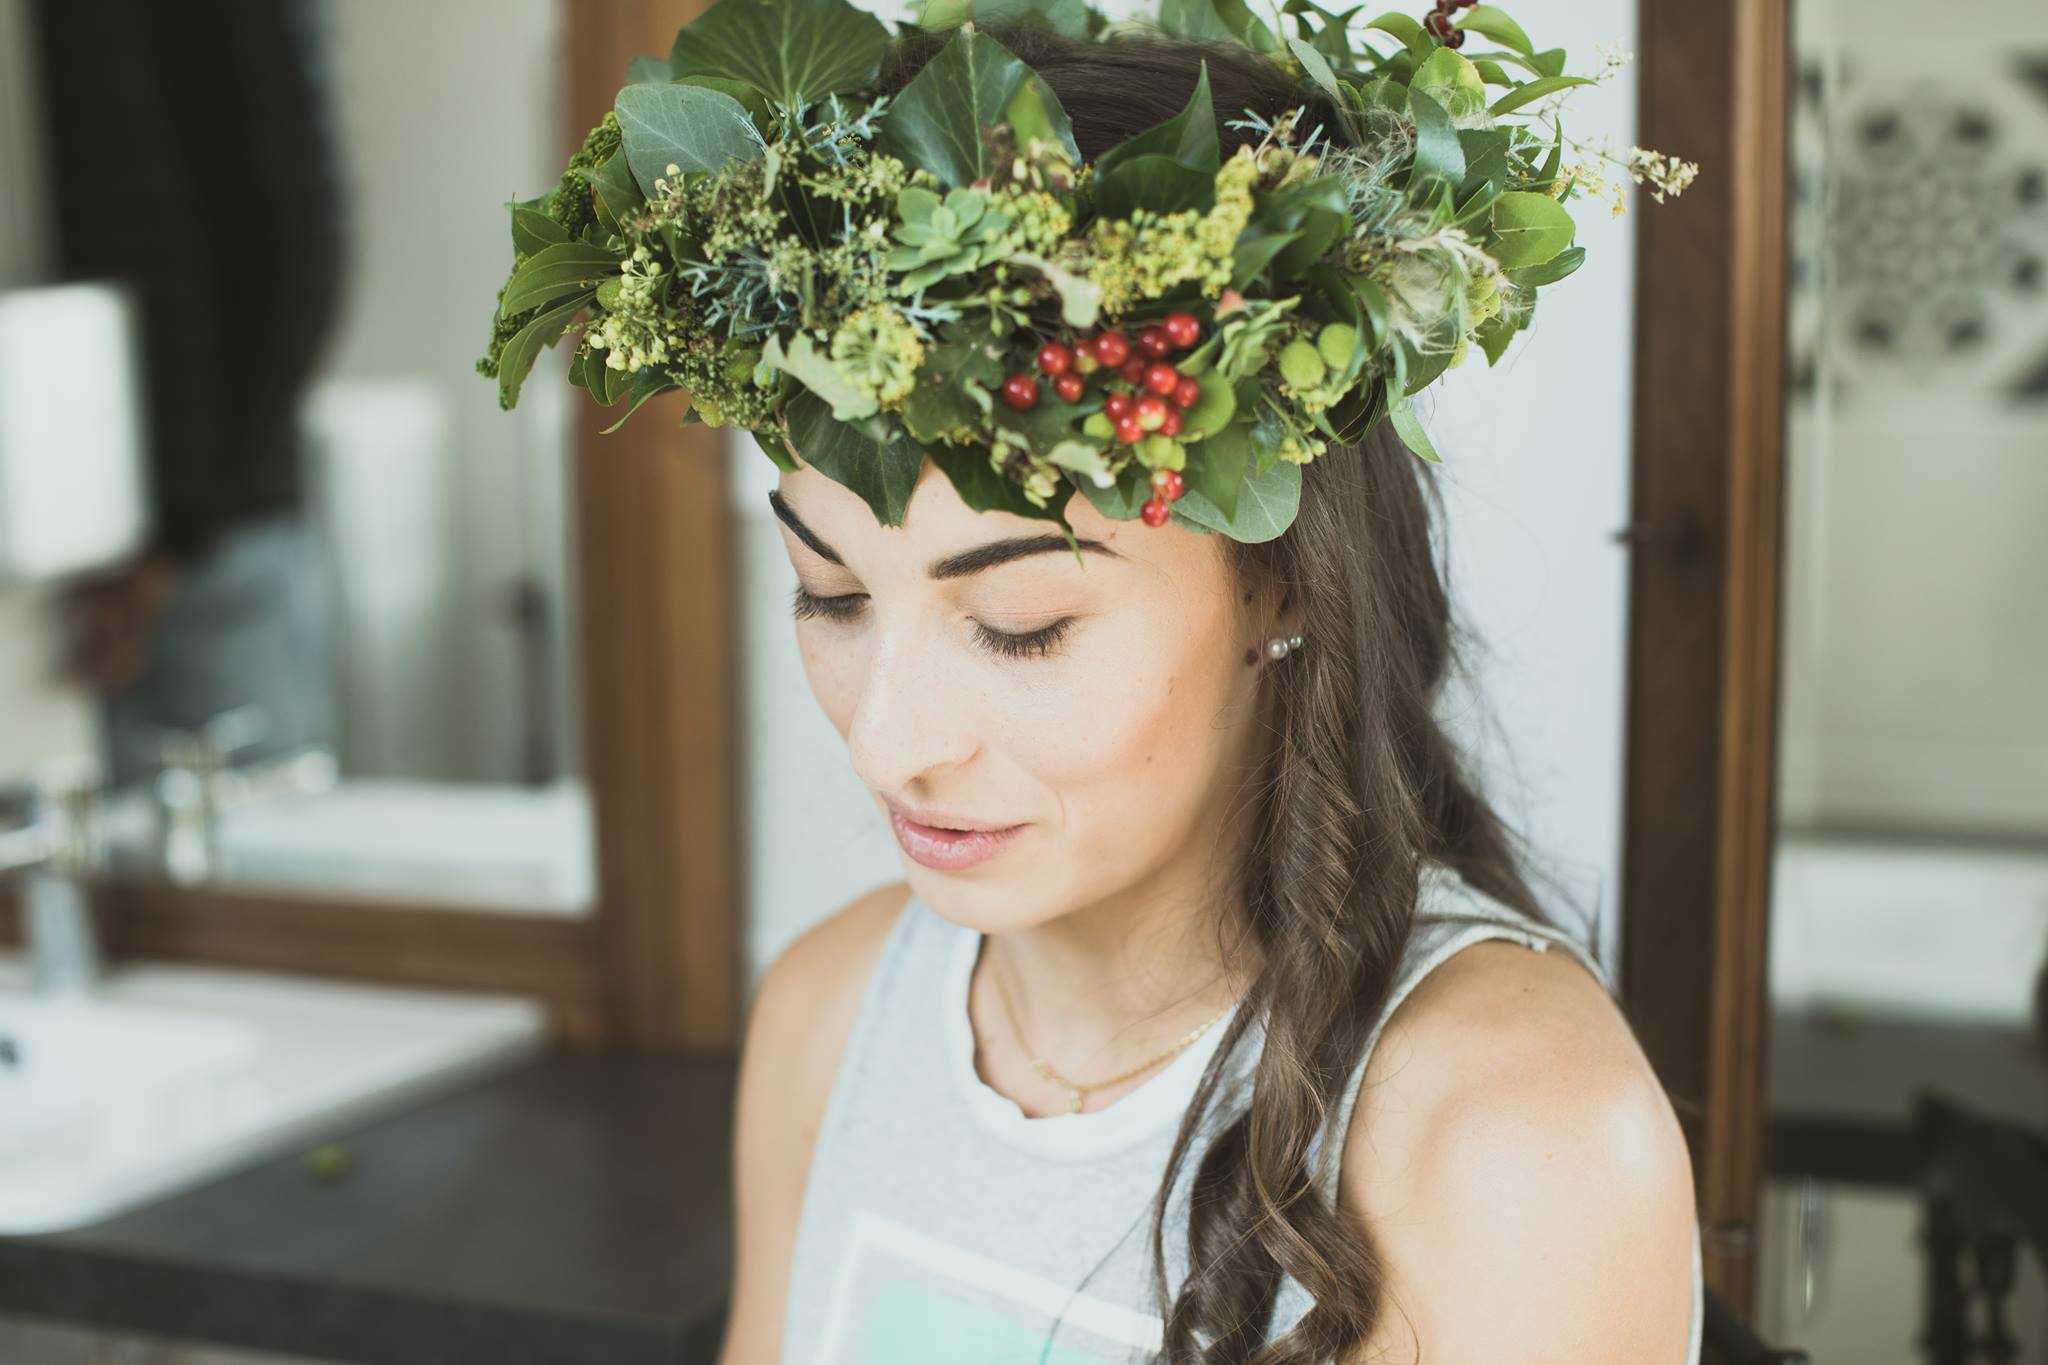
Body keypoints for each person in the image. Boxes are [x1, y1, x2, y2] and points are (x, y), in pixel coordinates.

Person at [482, 7, 1705, 1360]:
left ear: (1283, 583)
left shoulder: (1514, 1141)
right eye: (829, 595)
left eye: (1019, 626)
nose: (887, 744)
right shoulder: (830, 1013)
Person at [33, 0, 348, 790]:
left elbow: (304, 257)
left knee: (256, 845)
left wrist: (177, 533)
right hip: (54, 553)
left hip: (211, 546)